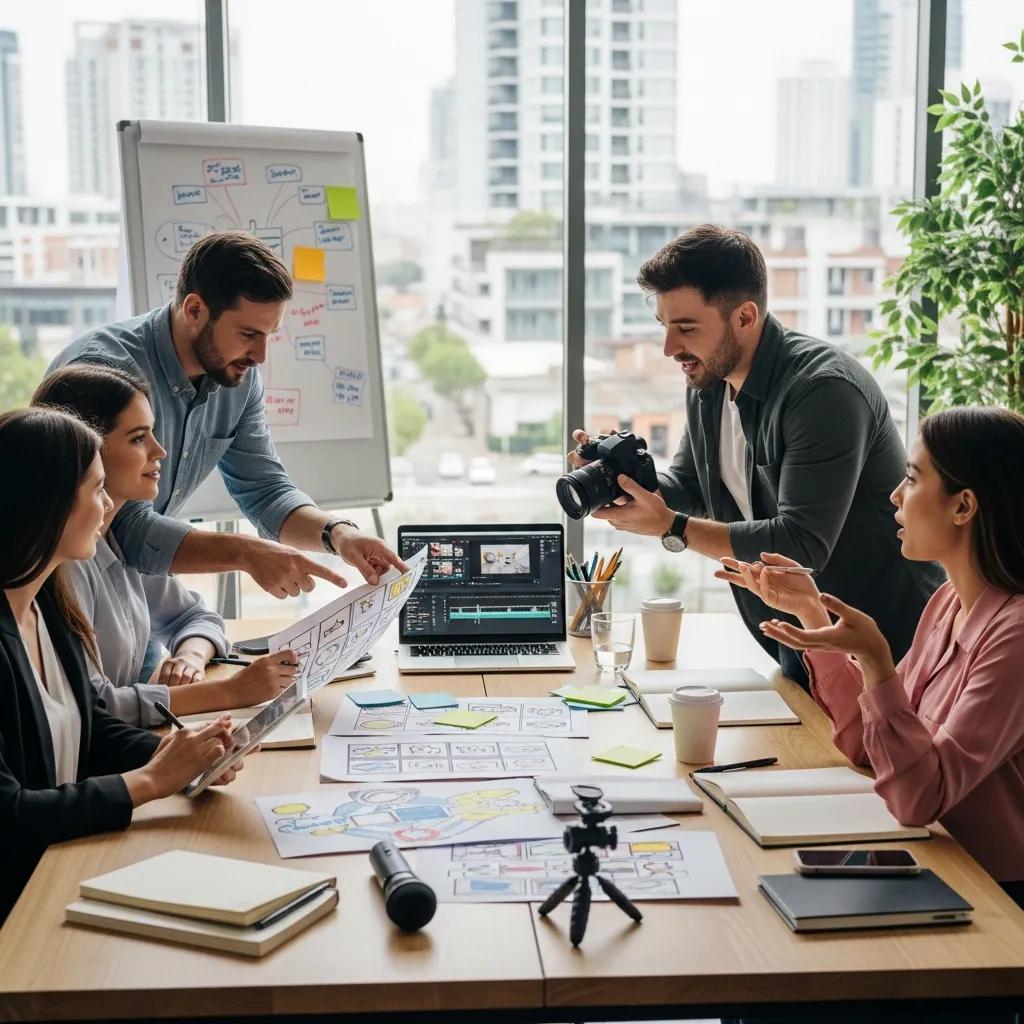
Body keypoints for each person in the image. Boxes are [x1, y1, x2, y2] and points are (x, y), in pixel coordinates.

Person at [569, 224, 943, 685]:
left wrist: (673, 527)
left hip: (888, 644)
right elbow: (689, 487)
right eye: (665, 327)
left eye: (686, 328)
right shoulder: (709, 380)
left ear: (745, 317)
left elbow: (803, 544)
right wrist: (623, 477)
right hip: (799, 635)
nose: (670, 349)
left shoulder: (822, 392)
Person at [718, 406, 1024, 907]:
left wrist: (879, 664)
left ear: (963, 506)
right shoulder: (947, 603)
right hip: (933, 859)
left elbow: (918, 797)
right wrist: (812, 613)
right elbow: (869, 747)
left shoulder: (1014, 636)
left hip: (992, 895)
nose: (895, 496)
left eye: (911, 478)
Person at [50, 230, 405, 601]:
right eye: (249, 333)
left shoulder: (237, 376)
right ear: (194, 310)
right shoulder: (104, 371)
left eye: (270, 334)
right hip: (63, 598)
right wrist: (246, 553)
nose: (261, 355)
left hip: (131, 597)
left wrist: (338, 534)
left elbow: (265, 491)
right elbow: (121, 528)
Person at [0, 407, 248, 925]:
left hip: (55, 870)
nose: (109, 504)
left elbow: (88, 729)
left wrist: (178, 752)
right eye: (96, 490)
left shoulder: (47, 602)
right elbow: (10, 816)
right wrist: (150, 781)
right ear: (46, 505)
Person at [32, 364, 298, 727]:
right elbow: (92, 705)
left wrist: (189, 657)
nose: (161, 451)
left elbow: (196, 616)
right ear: (87, 449)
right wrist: (230, 692)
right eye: (139, 438)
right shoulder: (63, 565)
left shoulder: (120, 539)